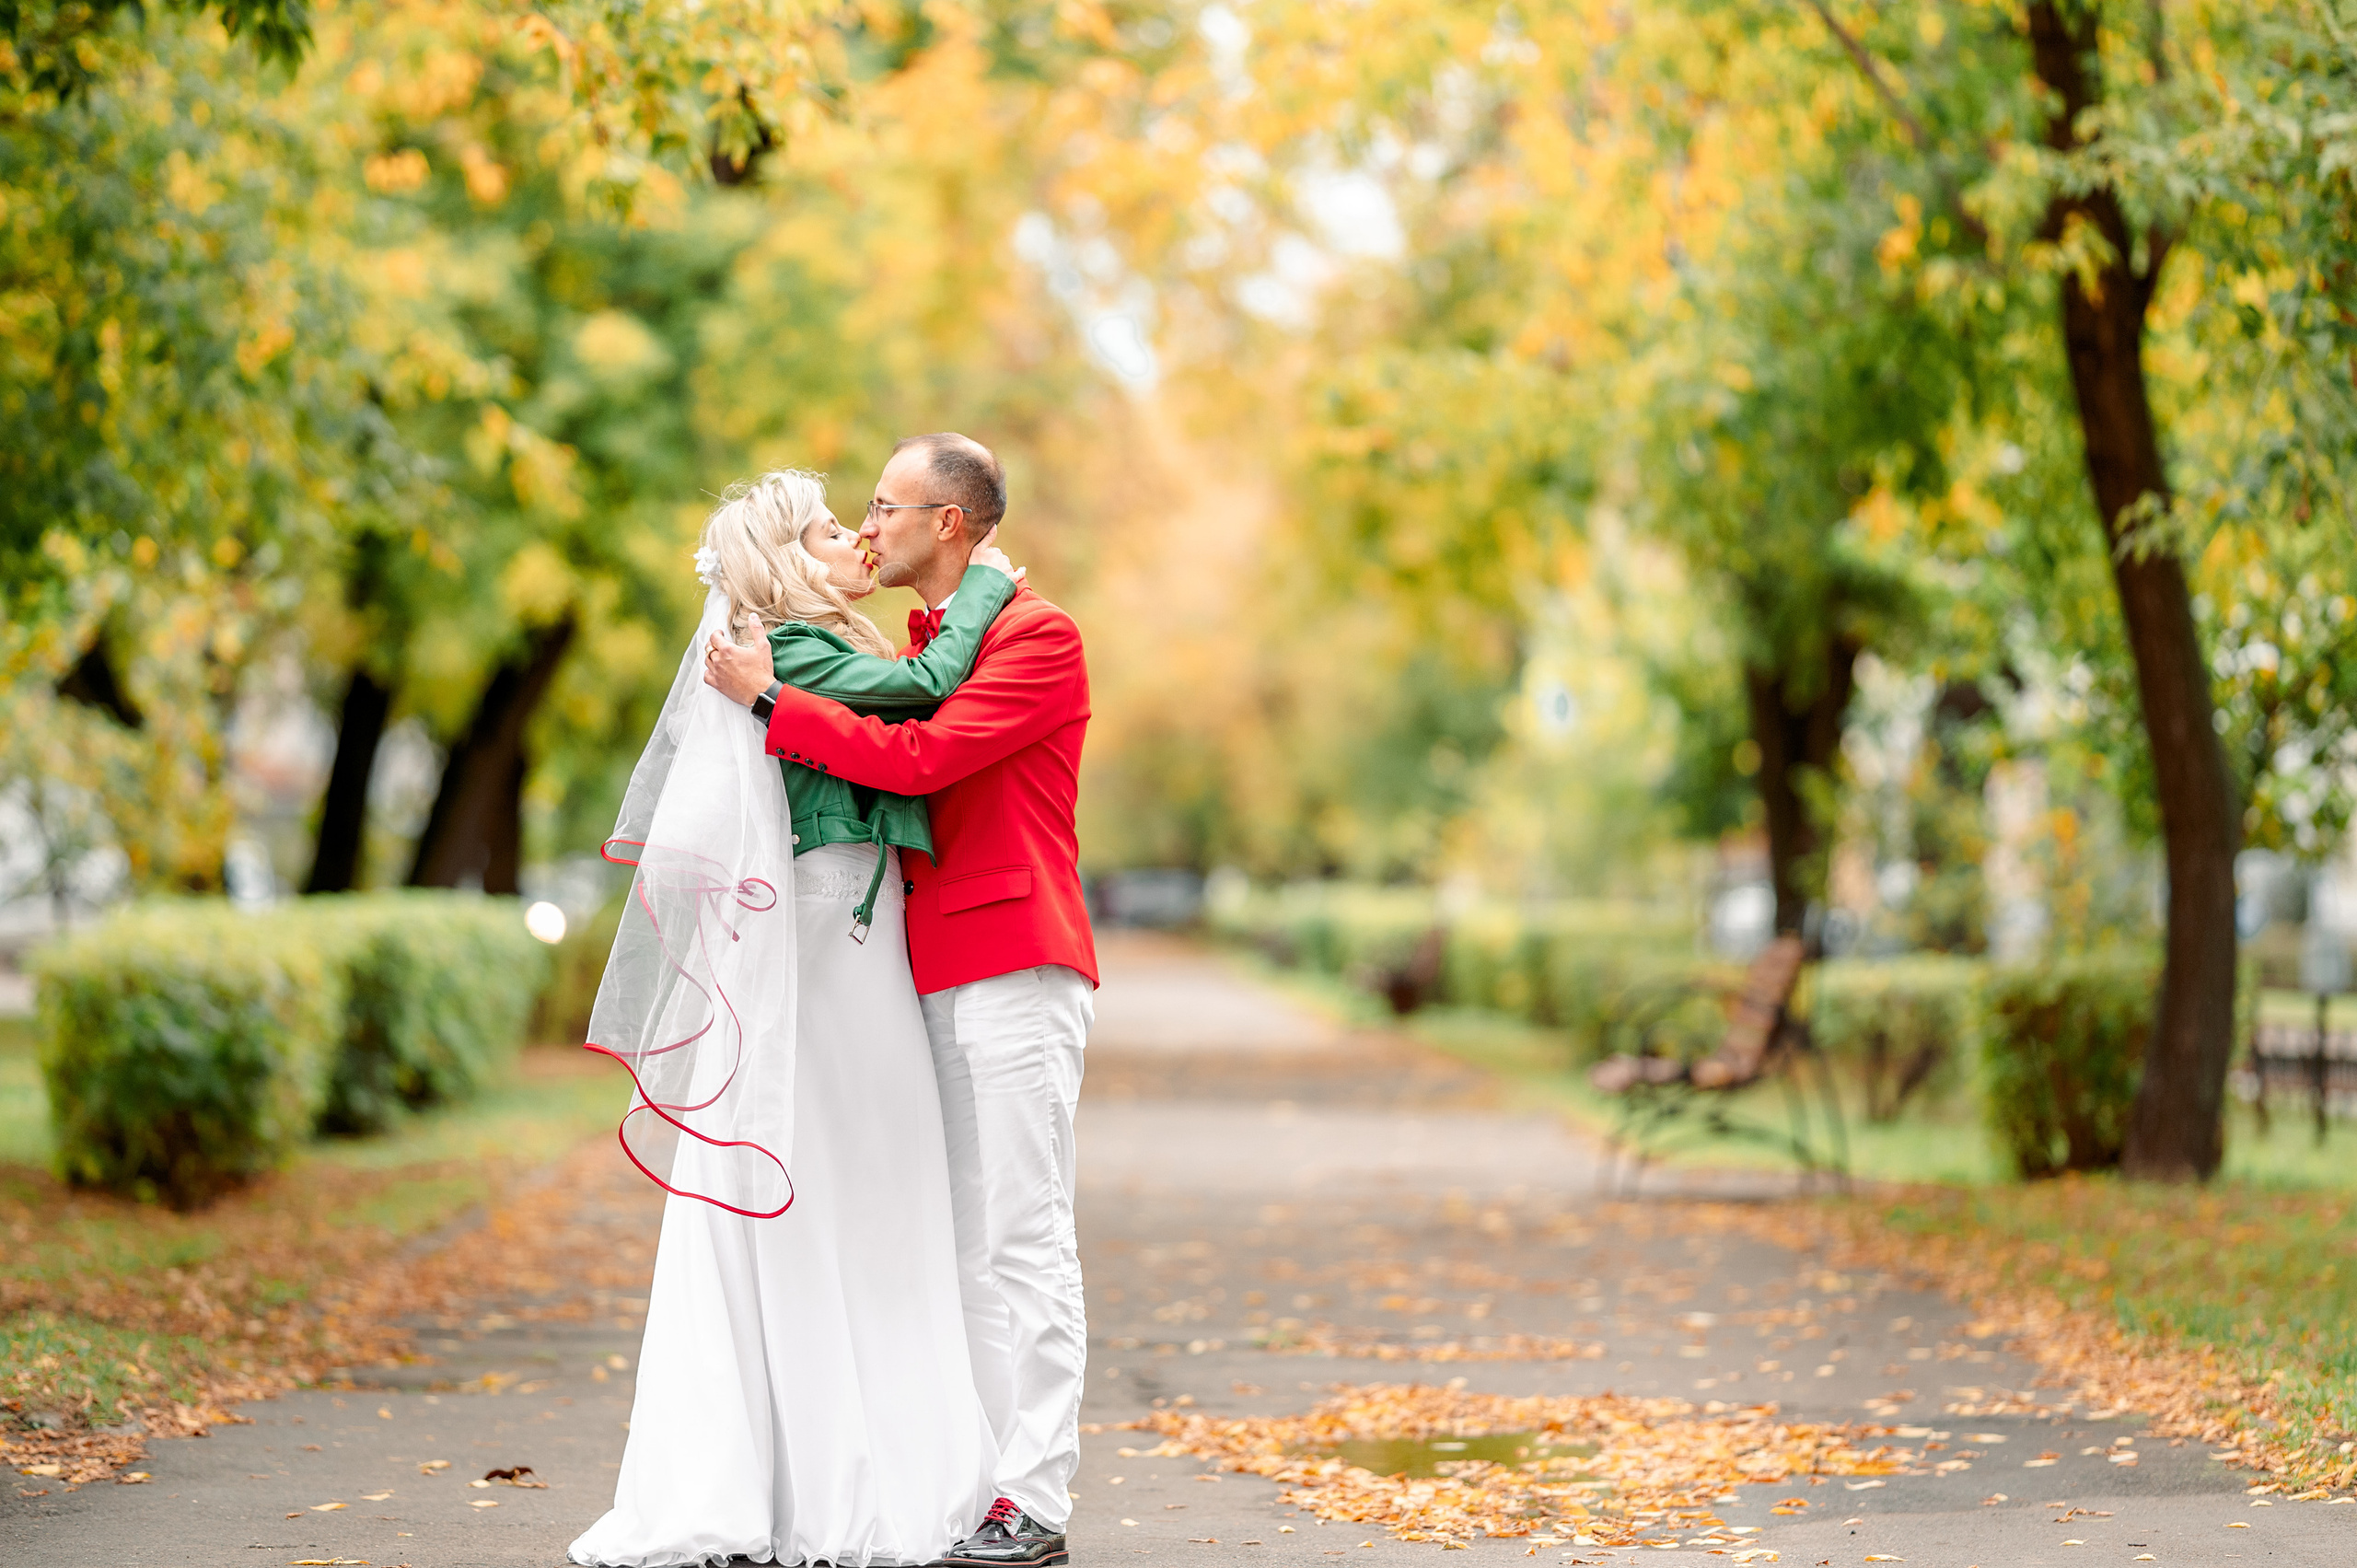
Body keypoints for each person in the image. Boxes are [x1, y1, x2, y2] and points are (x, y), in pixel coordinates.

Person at [571, 469, 1022, 1568]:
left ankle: (820, 1462)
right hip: (829, 951)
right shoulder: (789, 644)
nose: (856, 537)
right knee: (847, 1185)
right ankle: (815, 1478)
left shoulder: (790, 643)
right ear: (783, 556)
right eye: (831, 527)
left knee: (860, 1187)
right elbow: (921, 691)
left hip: (846, 943)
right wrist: (985, 592)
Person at [703, 434, 1096, 1568]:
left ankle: (1036, 1495)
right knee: (964, 1243)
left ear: (952, 525)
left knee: (1026, 1236)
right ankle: (975, 1480)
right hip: (929, 969)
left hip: (1019, 960)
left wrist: (774, 696)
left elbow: (921, 757)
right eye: (862, 510)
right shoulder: (922, 636)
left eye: (885, 508)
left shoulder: (1036, 635)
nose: (868, 527)